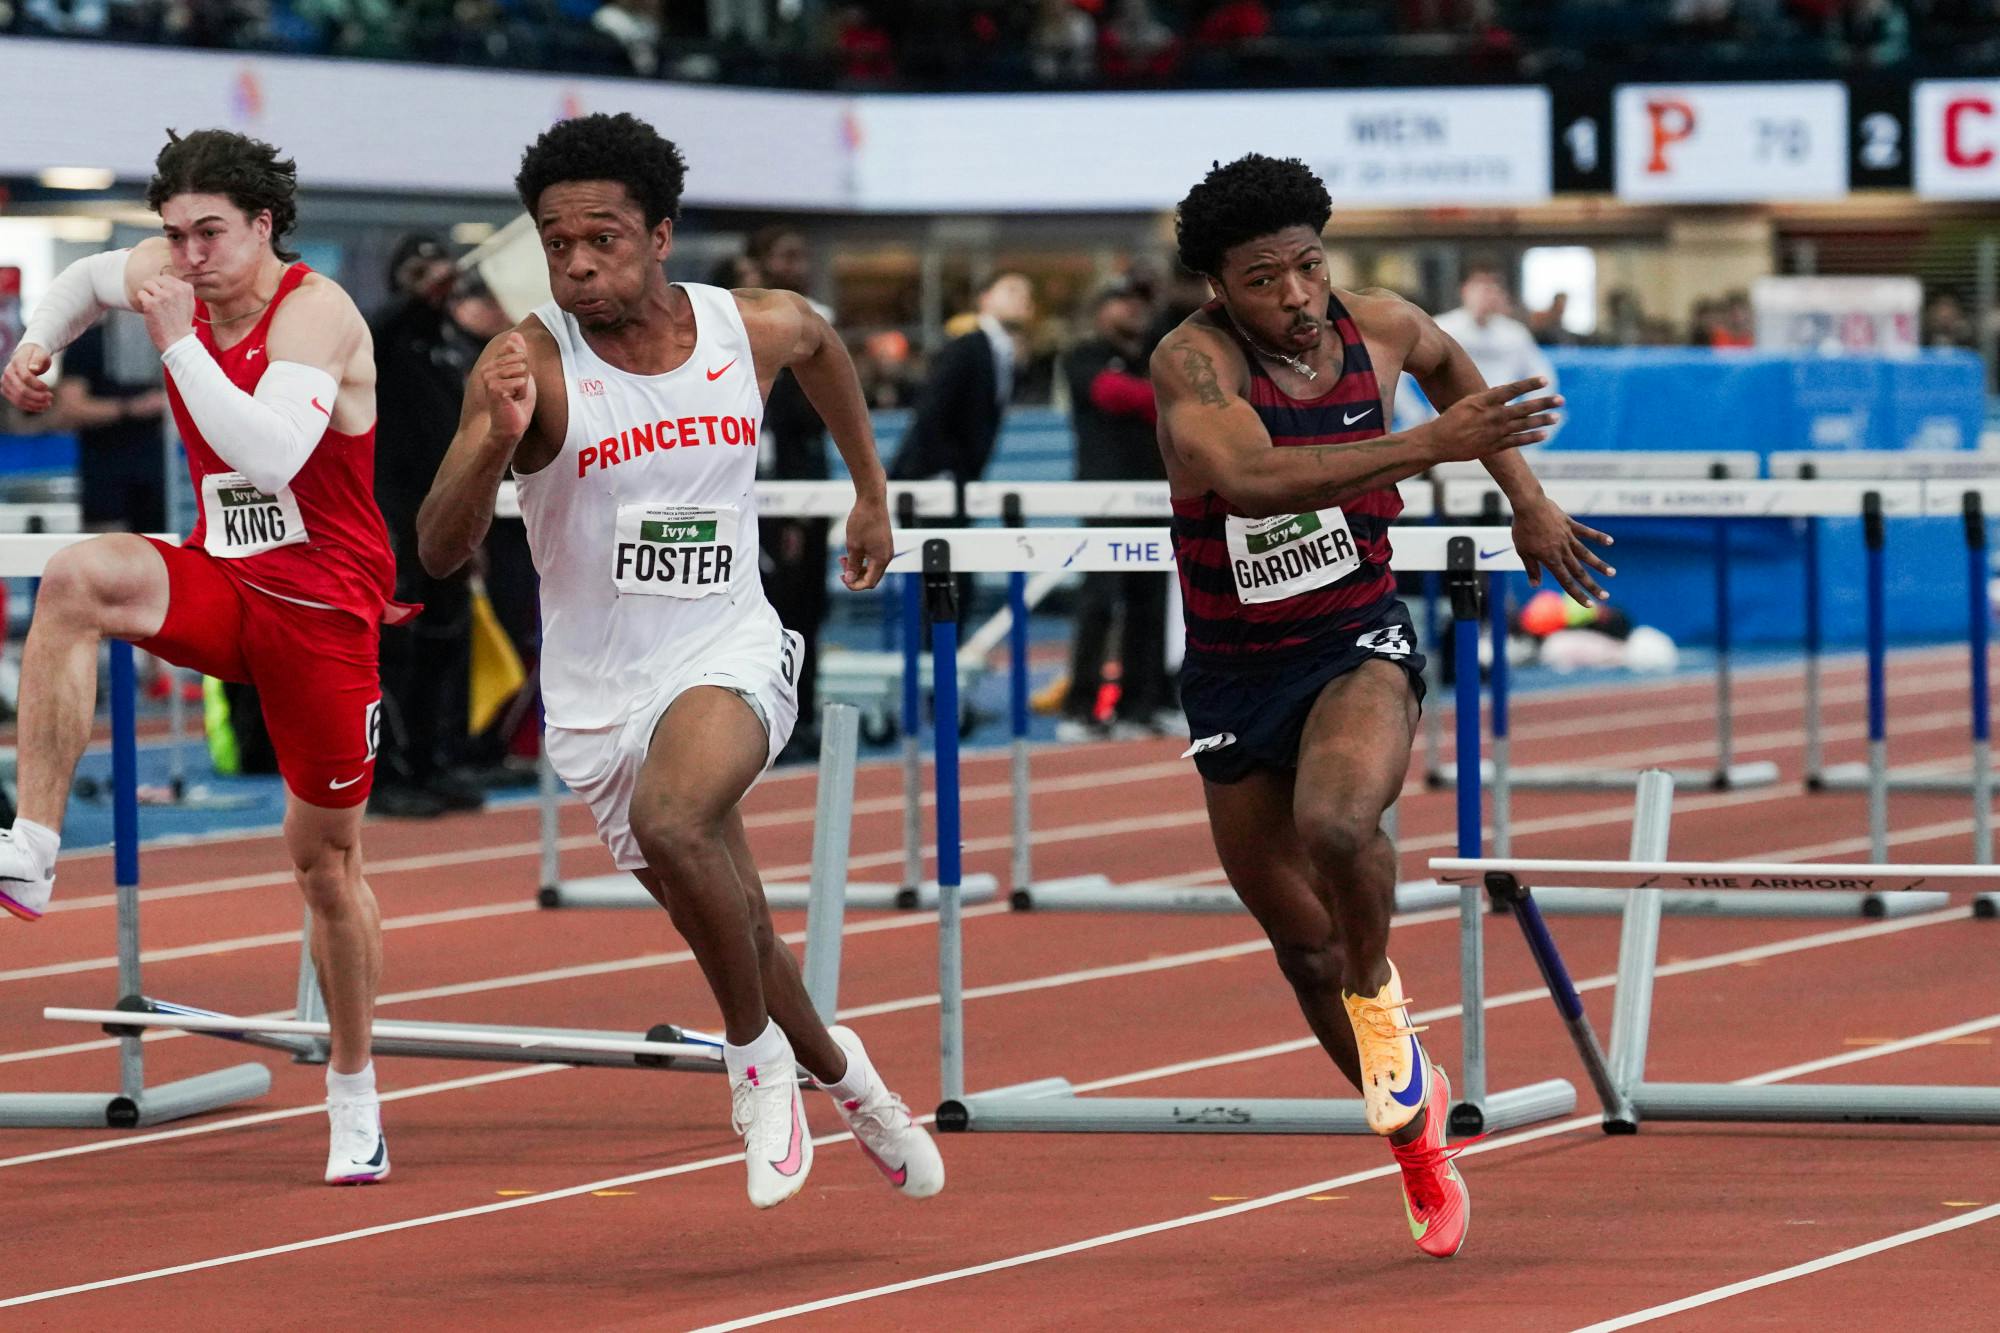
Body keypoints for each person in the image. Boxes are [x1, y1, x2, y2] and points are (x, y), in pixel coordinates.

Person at [416, 112, 943, 1210]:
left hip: (725, 644)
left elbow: (820, 343)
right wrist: (486, 434)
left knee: (678, 821)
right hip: (598, 689)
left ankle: (752, 1062)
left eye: (601, 238)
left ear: (661, 234)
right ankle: (853, 1084)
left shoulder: (742, 327)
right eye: (555, 243)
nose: (576, 263)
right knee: (736, 914)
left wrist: (869, 492)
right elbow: (437, 548)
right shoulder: (526, 365)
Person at [1152, 154, 1612, 1259]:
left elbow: (1463, 382)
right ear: (1219, 286)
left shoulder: (1385, 325)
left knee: (1339, 824)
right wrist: (1423, 449)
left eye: (1309, 267)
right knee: (1296, 947)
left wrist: (1528, 503)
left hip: (1354, 631)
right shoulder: (1191, 364)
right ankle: (1412, 1134)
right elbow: (1255, 482)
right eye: (1264, 280)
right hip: (1230, 667)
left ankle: (1377, 992)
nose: (1296, 298)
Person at [0, 128, 406, 1186]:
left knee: (324, 863)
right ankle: (34, 844)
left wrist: (179, 340)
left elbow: (267, 451)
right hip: (225, 580)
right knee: (77, 577)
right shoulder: (167, 272)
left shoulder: (315, 312)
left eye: (210, 234)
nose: (185, 259)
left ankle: (354, 1090)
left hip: (324, 608)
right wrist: (38, 344)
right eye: (173, 237)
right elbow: (91, 279)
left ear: (264, 224)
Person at [369, 234, 503, 818]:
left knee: (444, 644)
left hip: (444, 518)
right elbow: (381, 322)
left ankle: (430, 762)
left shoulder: (450, 349)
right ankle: (383, 774)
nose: (435, 280)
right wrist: (421, 287)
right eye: (417, 270)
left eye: (439, 268)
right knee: (391, 651)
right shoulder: (381, 342)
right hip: (389, 515)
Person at [1058, 283, 1174, 740]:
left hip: (1155, 492)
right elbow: (1114, 395)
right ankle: (1080, 707)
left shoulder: (1155, 356)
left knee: (1151, 602)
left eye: (1142, 303)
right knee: (1100, 600)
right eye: (1124, 302)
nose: (1135, 310)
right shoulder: (1083, 355)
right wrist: (1163, 398)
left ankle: (1139, 706)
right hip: (1103, 497)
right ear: (1101, 310)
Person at [745, 225, 834, 762]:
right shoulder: (757, 332)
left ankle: (800, 714)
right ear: (759, 262)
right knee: (773, 613)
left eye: (804, 254)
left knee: (808, 612)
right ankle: (767, 720)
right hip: (769, 494)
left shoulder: (816, 322)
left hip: (808, 488)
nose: (799, 264)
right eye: (787, 255)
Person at [50, 323, 170, 535]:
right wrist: (131, 408)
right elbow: (69, 409)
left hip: (157, 475)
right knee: (108, 553)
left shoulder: (164, 341)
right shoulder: (89, 343)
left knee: (158, 551)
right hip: (106, 474)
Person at [1433, 264, 1559, 428]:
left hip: (1500, 422)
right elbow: (1401, 373)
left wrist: (1526, 414)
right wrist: (1414, 414)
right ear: (1464, 290)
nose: (1485, 294)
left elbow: (1543, 376)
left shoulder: (1514, 333)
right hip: (1450, 422)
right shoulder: (1442, 328)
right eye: (1479, 287)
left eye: (1492, 288)